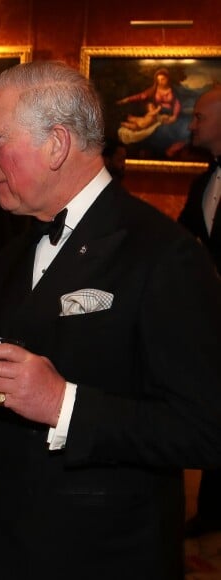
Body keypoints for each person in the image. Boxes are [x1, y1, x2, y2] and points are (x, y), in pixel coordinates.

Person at [0, 61, 221, 579]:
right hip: (9, 542)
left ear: (56, 144)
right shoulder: (13, 254)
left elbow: (204, 427)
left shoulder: (164, 256)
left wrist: (63, 404)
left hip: (106, 555)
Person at [178, 85, 221, 538]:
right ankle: (211, 511)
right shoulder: (201, 181)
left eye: (200, 117)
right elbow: (186, 242)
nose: (191, 125)